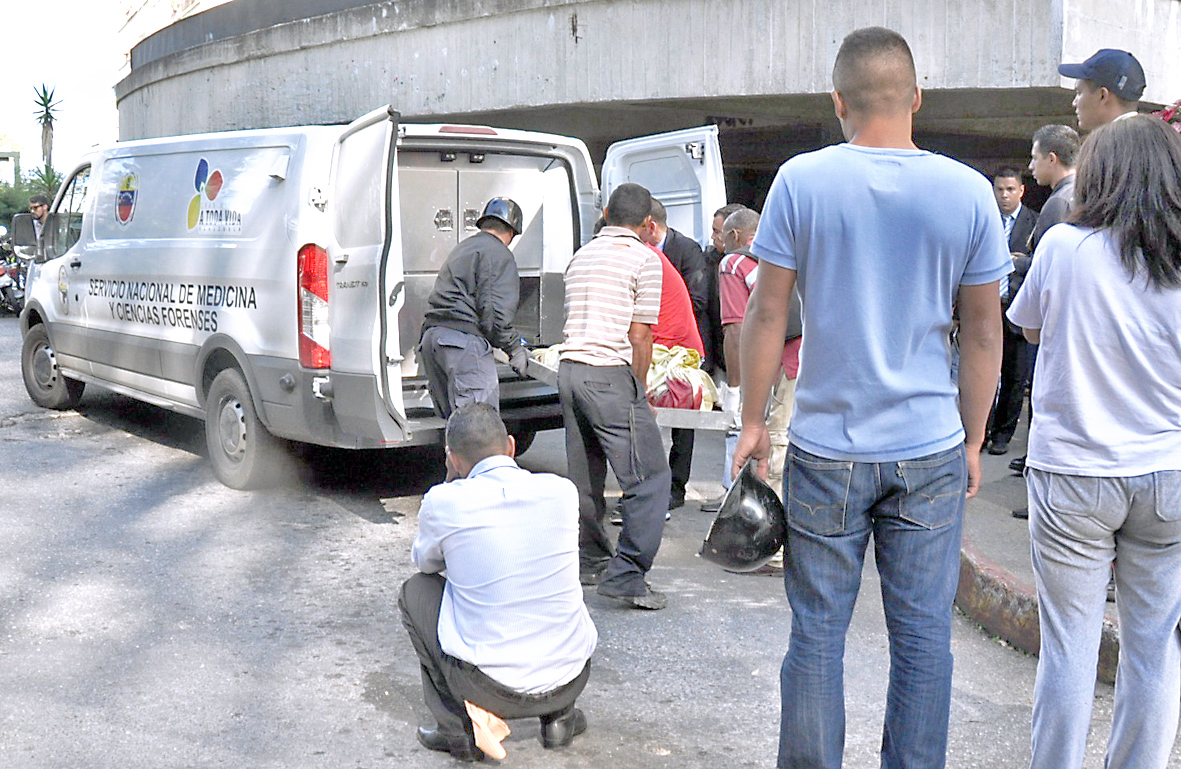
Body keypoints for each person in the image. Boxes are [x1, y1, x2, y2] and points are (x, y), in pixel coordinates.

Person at [732, 27, 1009, 768]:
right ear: (916, 97)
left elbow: (765, 313)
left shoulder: (800, 181)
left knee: (816, 632)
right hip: (927, 447)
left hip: (826, 446)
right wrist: (974, 438)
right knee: (922, 637)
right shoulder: (967, 191)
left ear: (837, 101)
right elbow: (983, 334)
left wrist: (753, 420)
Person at [1007, 114, 1181, 769]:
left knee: (1069, 642)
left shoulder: (1060, 247)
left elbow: (1025, 328)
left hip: (1072, 473)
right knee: (1153, 642)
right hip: (1167, 472)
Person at [399, 403, 597, 762]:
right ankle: (559, 719)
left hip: (489, 687)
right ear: (511, 446)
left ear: (452, 459)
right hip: (571, 676)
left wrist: (450, 484)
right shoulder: (561, 491)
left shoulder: (445, 501)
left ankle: (457, 730)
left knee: (416, 590)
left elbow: (426, 562)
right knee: (546, 582)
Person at [559, 182, 671, 610]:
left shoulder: (581, 256)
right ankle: (627, 574)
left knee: (585, 475)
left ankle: (589, 559)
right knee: (649, 479)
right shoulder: (645, 259)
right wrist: (638, 393)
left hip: (569, 372)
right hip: (608, 375)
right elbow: (640, 337)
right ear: (647, 224)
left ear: (605, 213)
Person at [1008, 124, 1080, 498]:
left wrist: (1018, 263)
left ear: (1052, 158)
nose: (1031, 166)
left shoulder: (1059, 202)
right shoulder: (1076, 195)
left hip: (1046, 322)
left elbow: (1044, 267)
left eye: (1035, 158)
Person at [418, 197, 531, 418]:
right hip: (463, 344)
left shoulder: (464, 247)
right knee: (478, 427)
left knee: (456, 428)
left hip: (434, 340)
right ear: (511, 231)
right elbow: (495, 313)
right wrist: (514, 348)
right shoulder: (499, 254)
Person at [642, 213, 707, 512]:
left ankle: (673, 487)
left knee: (682, 423)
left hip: (679, 345)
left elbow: (698, 298)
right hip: (662, 341)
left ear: (650, 225)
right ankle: (655, 486)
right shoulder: (650, 254)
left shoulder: (681, 251)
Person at [985, 168, 1038, 456]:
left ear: (1020, 191)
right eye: (999, 190)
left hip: (1016, 305)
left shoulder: (1035, 221)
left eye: (1009, 189)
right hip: (988, 306)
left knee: (1014, 376)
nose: (1004, 195)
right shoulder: (986, 217)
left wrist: (1024, 262)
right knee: (985, 371)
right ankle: (979, 431)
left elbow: (1042, 262)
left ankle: (1002, 435)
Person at [702, 202, 747, 376]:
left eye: (716, 231)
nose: (712, 237)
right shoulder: (707, 261)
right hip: (718, 354)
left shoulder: (756, 265)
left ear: (734, 234)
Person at [1058, 48, 1146, 132]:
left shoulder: (1111, 144)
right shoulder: (1153, 138)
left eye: (1079, 93)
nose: (1074, 103)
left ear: (1103, 96)